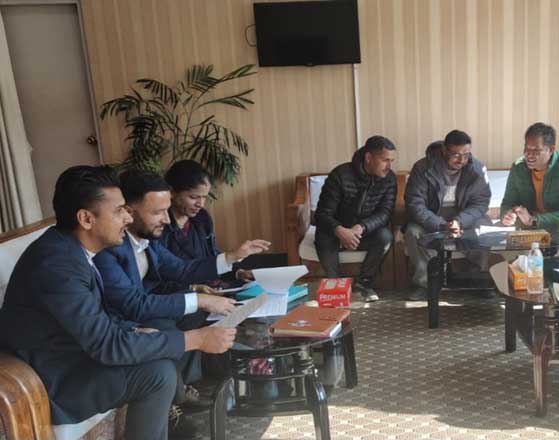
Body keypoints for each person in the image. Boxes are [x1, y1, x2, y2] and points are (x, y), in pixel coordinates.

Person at [0, 165, 235, 440]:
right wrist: (196, 339)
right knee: (157, 375)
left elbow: (95, 317)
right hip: (52, 378)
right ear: (86, 219)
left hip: (74, 353)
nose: (127, 217)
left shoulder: (69, 249)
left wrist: (133, 330)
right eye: (119, 210)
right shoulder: (57, 265)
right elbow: (107, 345)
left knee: (159, 355)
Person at [93, 168, 270, 436]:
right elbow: (133, 304)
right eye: (157, 212)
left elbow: (182, 269)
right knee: (172, 324)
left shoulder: (147, 240)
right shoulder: (109, 249)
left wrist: (231, 257)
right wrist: (198, 299)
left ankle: (233, 385)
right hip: (125, 319)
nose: (166, 220)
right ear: (128, 211)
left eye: (166, 211)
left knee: (208, 316)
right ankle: (178, 400)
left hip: (144, 309)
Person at [404, 130, 492, 300]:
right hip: (432, 221)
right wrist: (442, 225)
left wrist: (460, 221)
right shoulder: (423, 168)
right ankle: (424, 283)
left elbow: (481, 202)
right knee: (412, 232)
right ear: (444, 150)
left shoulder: (477, 169)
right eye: (456, 154)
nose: (461, 160)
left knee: (484, 227)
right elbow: (415, 204)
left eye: (466, 155)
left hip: (464, 221)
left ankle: (477, 278)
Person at [314, 135, 397, 302]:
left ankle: (364, 284)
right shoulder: (340, 175)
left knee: (385, 236)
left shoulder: (389, 179)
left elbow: (385, 213)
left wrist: (361, 227)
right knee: (323, 235)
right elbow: (322, 214)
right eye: (385, 160)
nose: (389, 166)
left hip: (363, 231)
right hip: (335, 231)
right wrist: (339, 230)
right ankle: (335, 285)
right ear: (368, 158)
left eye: (391, 161)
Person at [500, 122, 559, 257]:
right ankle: (520, 269)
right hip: (531, 222)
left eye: (536, 150)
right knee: (508, 240)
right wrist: (507, 215)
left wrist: (535, 220)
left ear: (551, 149)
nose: (529, 154)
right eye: (526, 148)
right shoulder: (518, 167)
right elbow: (508, 203)